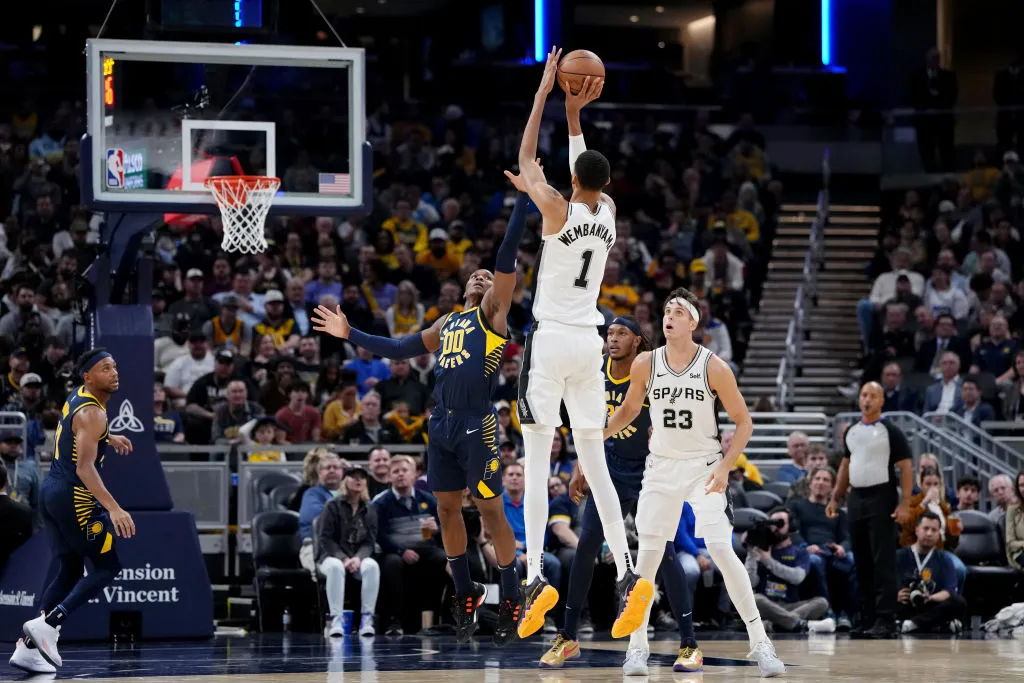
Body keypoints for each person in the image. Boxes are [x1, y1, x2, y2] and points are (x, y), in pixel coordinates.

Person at [311, 161, 532, 646]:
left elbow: (507, 255)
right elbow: (395, 349)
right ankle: (465, 590)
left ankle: (514, 591)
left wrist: (522, 201)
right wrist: (351, 334)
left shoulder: (494, 315)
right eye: (472, 276)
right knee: (449, 511)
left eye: (484, 276)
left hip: (478, 421)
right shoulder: (445, 324)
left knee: (491, 511)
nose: (478, 278)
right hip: (442, 423)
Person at [510, 46, 651, 641]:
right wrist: (573, 117)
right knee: (594, 462)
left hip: (550, 343)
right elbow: (582, 167)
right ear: (606, 183)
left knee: (539, 459)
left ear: (571, 182)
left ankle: (534, 576)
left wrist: (545, 94)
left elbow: (524, 157)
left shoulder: (553, 211)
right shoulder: (609, 212)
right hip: (592, 345)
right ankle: (627, 574)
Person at [603, 288, 784, 676]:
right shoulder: (646, 363)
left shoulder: (714, 366)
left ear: (693, 322)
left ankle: (761, 643)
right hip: (662, 467)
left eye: (678, 311)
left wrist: (725, 467)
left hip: (705, 467)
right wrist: (597, 434)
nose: (669, 315)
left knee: (721, 549)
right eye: (666, 309)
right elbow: (630, 409)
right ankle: (638, 649)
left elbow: (744, 422)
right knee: (647, 558)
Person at [542, 316, 703, 673]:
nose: (612, 339)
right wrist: (580, 466)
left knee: (665, 552)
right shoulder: (596, 372)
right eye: (609, 333)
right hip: (610, 468)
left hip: (650, 472)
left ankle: (690, 644)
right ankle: (568, 637)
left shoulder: (653, 374)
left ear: (637, 342)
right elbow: (586, 423)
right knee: (585, 547)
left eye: (621, 334)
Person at [13, 348, 135, 673]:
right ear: (88, 377)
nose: (114, 372)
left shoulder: (78, 397)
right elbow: (85, 468)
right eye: (106, 368)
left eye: (115, 366)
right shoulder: (94, 414)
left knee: (69, 568)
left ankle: (28, 648)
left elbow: (76, 434)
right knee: (107, 567)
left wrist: (109, 437)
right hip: (74, 497)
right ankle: (49, 624)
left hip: (50, 492)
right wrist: (115, 508)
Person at [828, 382, 914, 638]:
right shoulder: (852, 431)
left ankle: (886, 619)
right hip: (857, 498)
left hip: (882, 496)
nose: (867, 399)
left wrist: (905, 503)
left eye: (873, 395)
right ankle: (867, 617)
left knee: (882, 560)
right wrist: (835, 497)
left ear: (881, 401)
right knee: (862, 559)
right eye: (864, 395)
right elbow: (845, 466)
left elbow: (907, 467)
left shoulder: (891, 430)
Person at [315, 465, 380, 637]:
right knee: (336, 567)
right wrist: (344, 558)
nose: (358, 480)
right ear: (345, 480)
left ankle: (367, 618)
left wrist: (358, 558)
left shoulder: (370, 508)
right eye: (353, 476)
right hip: (330, 557)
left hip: (357, 557)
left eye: (362, 477)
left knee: (372, 566)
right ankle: (336, 619)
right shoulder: (332, 506)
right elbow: (325, 539)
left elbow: (370, 541)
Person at [746, 508, 834, 633]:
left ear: (791, 526)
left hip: (790, 605)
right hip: (766, 604)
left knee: (822, 602)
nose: (775, 528)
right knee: (754, 599)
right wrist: (751, 554)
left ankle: (775, 625)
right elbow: (750, 583)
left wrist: (768, 561)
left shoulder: (800, 552)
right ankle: (799, 624)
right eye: (772, 523)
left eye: (780, 523)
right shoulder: (760, 549)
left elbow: (797, 578)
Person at [896, 512, 967, 633]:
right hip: (906, 604)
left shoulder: (944, 559)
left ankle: (914, 623)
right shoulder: (900, 556)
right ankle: (935, 624)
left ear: (939, 534)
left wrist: (929, 598)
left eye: (934, 530)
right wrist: (896, 594)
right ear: (917, 530)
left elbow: (948, 592)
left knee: (958, 602)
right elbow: (886, 584)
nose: (929, 533)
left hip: (930, 604)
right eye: (926, 528)